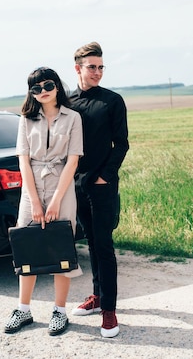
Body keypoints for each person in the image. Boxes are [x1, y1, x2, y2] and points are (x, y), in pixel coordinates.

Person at [4, 67, 84, 336]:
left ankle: (59, 311)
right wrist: (35, 201)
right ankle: (23, 310)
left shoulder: (73, 118)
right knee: (28, 246)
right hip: (32, 188)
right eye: (35, 88)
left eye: (47, 85)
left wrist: (55, 201)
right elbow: (23, 161)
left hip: (62, 185)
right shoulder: (25, 120)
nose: (43, 91)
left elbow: (73, 160)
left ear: (57, 85)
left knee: (61, 247)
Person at [69, 42, 129, 338]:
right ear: (77, 68)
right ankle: (97, 296)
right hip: (75, 185)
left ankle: (109, 310)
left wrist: (105, 176)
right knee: (90, 242)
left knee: (104, 246)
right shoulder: (67, 102)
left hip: (102, 186)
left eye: (101, 67)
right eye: (92, 66)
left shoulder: (112, 101)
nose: (98, 72)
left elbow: (122, 143)